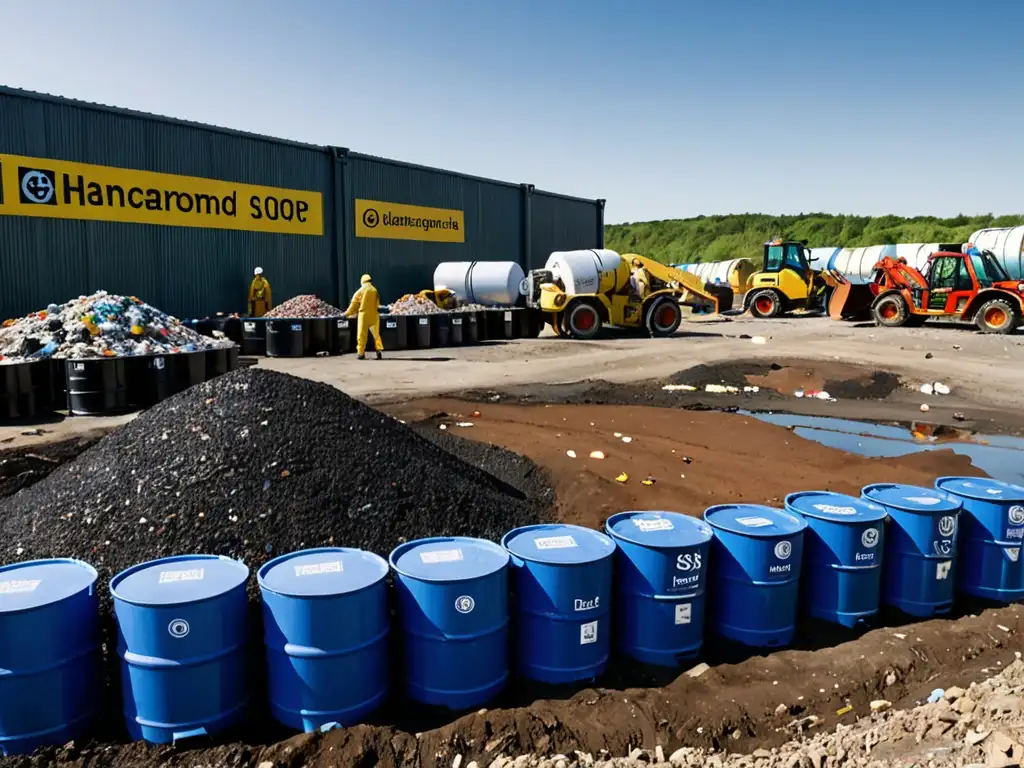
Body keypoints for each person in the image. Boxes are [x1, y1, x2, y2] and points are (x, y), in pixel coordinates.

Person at [345, 273, 383, 360]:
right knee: (376, 335)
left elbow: (353, 306)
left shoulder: (360, 291)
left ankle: (361, 353)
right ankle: (379, 351)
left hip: (364, 315)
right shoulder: (375, 290)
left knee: (361, 335)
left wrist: (346, 314)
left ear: (362, 281)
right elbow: (377, 304)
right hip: (374, 315)